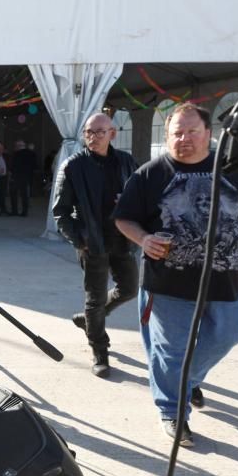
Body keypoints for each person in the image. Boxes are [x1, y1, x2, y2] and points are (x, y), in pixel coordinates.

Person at [113, 102, 238, 446]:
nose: (183, 139)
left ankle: (186, 381)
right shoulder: (150, 174)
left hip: (226, 278)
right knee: (172, 352)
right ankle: (173, 410)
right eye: (176, 133)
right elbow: (123, 217)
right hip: (168, 282)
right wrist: (143, 238)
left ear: (209, 134)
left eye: (191, 132)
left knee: (225, 337)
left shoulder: (235, 171)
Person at [52, 113, 138, 378]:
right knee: (95, 297)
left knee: (129, 289)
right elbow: (60, 212)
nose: (93, 137)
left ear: (112, 133)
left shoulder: (126, 162)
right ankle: (100, 350)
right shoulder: (73, 166)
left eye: (99, 132)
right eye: (89, 132)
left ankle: (91, 321)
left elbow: (141, 196)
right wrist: (80, 240)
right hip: (93, 243)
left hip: (123, 238)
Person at [9, 139, 38, 216]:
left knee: (14, 194)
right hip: (27, 177)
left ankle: (14, 211)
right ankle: (24, 212)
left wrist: (11, 174)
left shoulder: (16, 154)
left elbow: (13, 166)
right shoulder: (31, 153)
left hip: (16, 176)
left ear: (18, 146)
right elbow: (35, 165)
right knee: (24, 195)